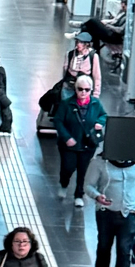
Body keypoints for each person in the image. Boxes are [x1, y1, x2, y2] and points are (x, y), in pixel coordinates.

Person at [54, 73, 106, 205]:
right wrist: (66, 137)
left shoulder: (95, 104)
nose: (83, 92)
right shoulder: (67, 104)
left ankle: (79, 194)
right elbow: (58, 121)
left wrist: (100, 122)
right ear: (75, 89)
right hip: (69, 144)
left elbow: (104, 115)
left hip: (87, 144)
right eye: (80, 89)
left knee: (83, 170)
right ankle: (64, 183)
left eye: (87, 90)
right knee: (68, 167)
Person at [62, 31, 102, 98]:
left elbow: (97, 76)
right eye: (77, 42)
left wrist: (96, 94)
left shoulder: (93, 56)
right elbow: (65, 70)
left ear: (87, 44)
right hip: (69, 87)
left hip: (83, 90)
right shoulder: (70, 54)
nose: (78, 44)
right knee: (67, 106)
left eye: (81, 42)